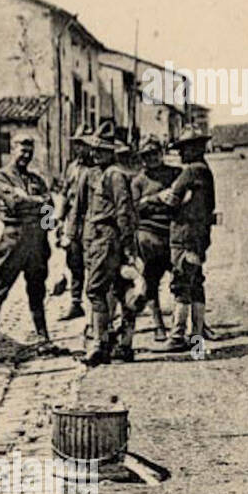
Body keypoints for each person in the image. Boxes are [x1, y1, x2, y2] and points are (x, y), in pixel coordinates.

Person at [68, 121, 141, 365]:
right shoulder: (94, 174)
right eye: (94, 149)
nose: (95, 153)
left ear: (111, 152)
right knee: (119, 289)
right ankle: (122, 343)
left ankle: (100, 345)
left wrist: (127, 245)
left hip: (108, 238)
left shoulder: (115, 175)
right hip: (95, 238)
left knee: (96, 290)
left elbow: (123, 211)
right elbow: (80, 209)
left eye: (101, 150)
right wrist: (72, 236)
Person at [0, 136, 56, 362]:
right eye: (22, 150)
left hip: (36, 242)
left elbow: (49, 210)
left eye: (29, 152)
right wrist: (38, 201)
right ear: (13, 149)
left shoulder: (36, 179)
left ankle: (43, 338)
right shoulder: (1, 176)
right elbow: (15, 202)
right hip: (13, 240)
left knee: (37, 291)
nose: (26, 155)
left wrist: (44, 224)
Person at [143, 125, 216, 352]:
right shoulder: (205, 170)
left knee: (181, 284)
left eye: (185, 148)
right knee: (196, 285)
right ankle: (196, 338)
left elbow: (171, 200)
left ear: (196, 148)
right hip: (199, 236)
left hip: (183, 235)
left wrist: (150, 200)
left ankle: (177, 337)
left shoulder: (190, 172)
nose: (181, 153)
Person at [132, 135, 180, 341]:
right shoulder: (139, 181)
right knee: (151, 281)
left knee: (185, 278)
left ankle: (191, 326)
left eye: (154, 153)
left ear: (162, 153)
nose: (151, 159)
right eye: (146, 155)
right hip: (149, 235)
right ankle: (158, 325)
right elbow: (133, 208)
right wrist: (154, 199)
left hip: (174, 233)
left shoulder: (176, 173)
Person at [55, 124, 94, 321]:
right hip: (73, 221)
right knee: (74, 262)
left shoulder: (96, 168)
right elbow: (64, 193)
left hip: (90, 221)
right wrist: (59, 220)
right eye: (78, 144)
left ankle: (99, 309)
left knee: (94, 263)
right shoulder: (71, 167)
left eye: (85, 144)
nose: (81, 148)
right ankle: (76, 303)